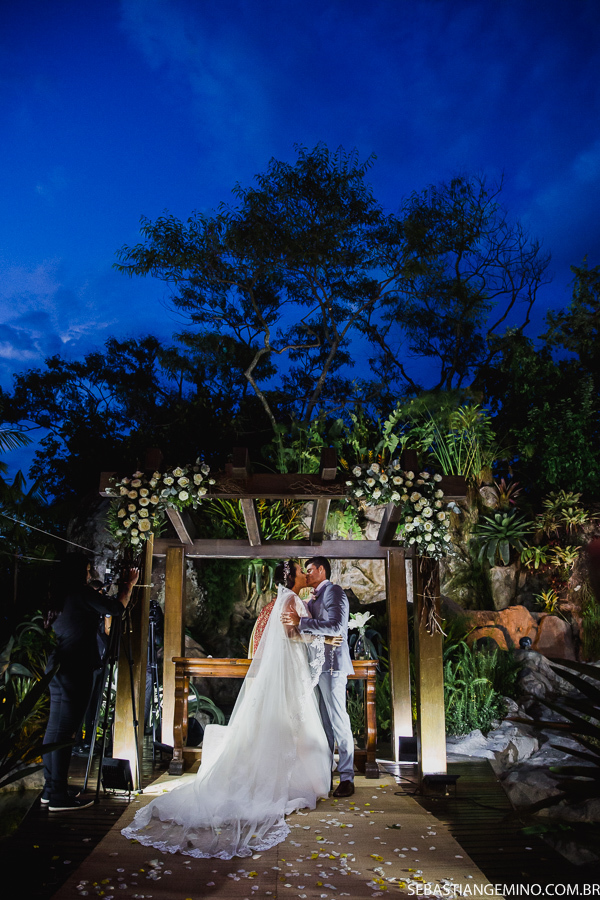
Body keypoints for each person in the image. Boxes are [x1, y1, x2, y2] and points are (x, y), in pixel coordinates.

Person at [121, 559, 331, 859]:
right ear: (294, 577)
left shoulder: (277, 602)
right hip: (290, 670)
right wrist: (315, 635)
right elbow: (293, 634)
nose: (305, 573)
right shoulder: (293, 600)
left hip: (284, 670)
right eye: (302, 570)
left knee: (285, 723)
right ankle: (288, 782)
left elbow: (269, 638)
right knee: (290, 722)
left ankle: (290, 777)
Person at [42, 555, 139, 811]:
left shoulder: (59, 596)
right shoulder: (80, 594)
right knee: (65, 733)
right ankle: (59, 796)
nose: (89, 575)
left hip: (57, 666)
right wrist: (127, 586)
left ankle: (51, 788)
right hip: (75, 667)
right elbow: (116, 609)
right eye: (86, 571)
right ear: (77, 574)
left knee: (54, 730)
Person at [281, 556, 355, 798]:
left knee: (338, 720)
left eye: (310, 570)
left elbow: (336, 627)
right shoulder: (311, 598)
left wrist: (301, 622)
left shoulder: (334, 592)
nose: (308, 574)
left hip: (332, 666)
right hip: (316, 668)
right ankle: (325, 775)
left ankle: (347, 777)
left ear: (322, 570)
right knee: (324, 725)